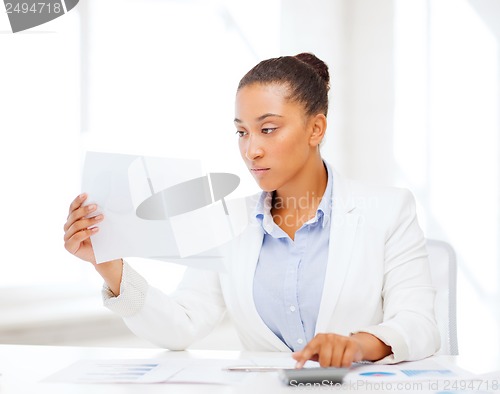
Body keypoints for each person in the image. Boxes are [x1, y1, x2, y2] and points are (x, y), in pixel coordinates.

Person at [63, 53, 440, 368]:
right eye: (242, 132)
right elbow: (182, 325)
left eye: (269, 129)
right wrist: (110, 267)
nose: (251, 150)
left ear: (316, 129)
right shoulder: (227, 223)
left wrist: (357, 345)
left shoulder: (388, 210)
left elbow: (419, 324)